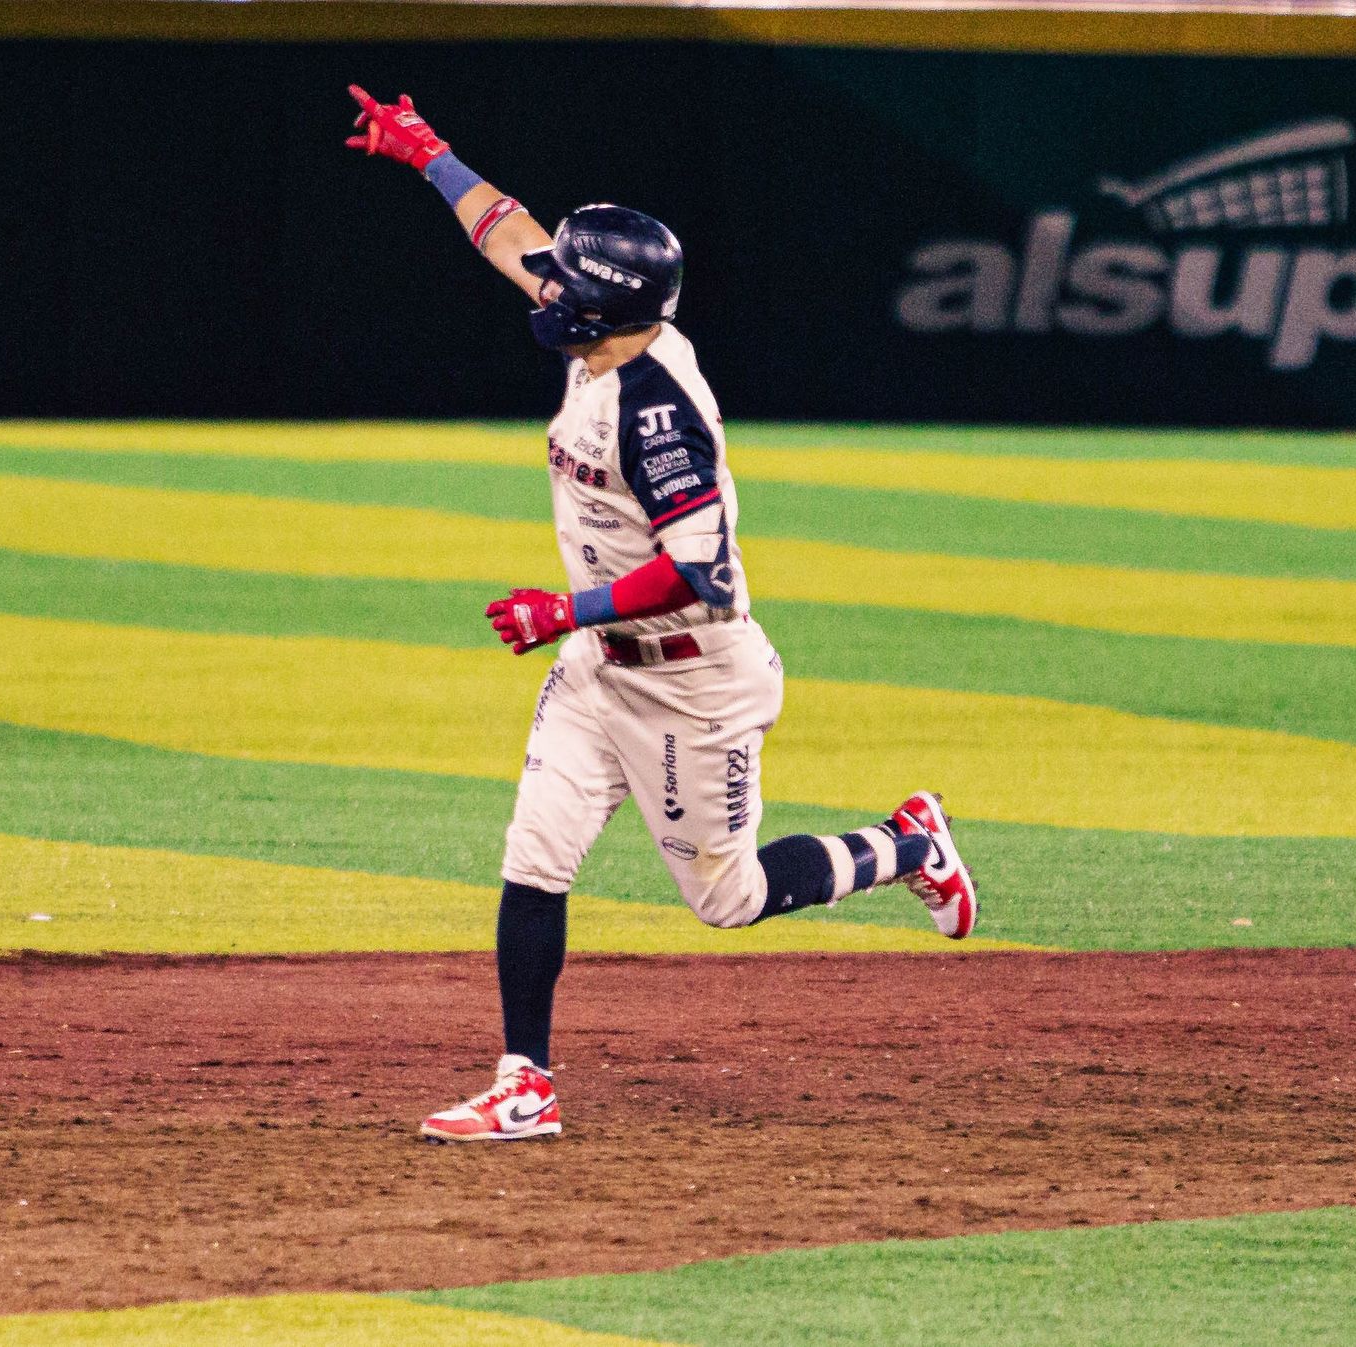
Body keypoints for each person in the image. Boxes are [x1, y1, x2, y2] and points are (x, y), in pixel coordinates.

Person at [345, 86, 978, 1143]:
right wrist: (428, 153)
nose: (546, 290)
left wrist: (566, 608)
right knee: (533, 855)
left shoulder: (656, 410)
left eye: (570, 287)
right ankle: (524, 1081)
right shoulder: (605, 336)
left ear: (610, 307)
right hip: (602, 669)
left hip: (692, 676)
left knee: (724, 898)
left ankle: (908, 845)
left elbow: (701, 571)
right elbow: (511, 233)